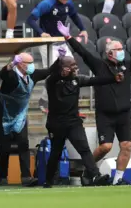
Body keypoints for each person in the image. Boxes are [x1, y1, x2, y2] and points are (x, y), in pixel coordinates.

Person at [57, 21, 131, 185]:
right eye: (118, 50)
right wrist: (68, 37)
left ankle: (117, 180)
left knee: (126, 146)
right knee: (105, 146)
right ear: (109, 53)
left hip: (124, 113)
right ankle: (89, 169)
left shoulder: (128, 66)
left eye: (122, 49)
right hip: (105, 114)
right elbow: (83, 52)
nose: (121, 52)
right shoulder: (99, 66)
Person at [43, 55, 123, 188]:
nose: (75, 67)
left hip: (74, 122)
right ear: (63, 68)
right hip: (56, 124)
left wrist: (113, 78)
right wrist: (59, 62)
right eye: (72, 65)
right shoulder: (52, 82)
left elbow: (95, 80)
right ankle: (48, 180)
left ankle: (95, 175)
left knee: (84, 149)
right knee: (55, 153)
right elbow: (53, 74)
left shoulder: (77, 80)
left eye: (75, 64)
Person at [0, 52, 53, 186]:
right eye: (28, 63)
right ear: (19, 64)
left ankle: (26, 177)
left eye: (32, 62)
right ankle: (2, 177)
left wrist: (61, 57)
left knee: (23, 144)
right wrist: (10, 65)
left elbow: (49, 71)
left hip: (20, 117)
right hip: (4, 116)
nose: (32, 66)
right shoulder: (12, 76)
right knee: (4, 147)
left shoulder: (32, 75)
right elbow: (4, 75)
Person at [27, 0, 89, 67]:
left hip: (61, 41)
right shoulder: (47, 4)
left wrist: (83, 29)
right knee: (52, 70)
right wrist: (42, 33)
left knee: (71, 66)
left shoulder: (69, 3)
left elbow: (74, 15)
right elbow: (30, 20)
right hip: (47, 43)